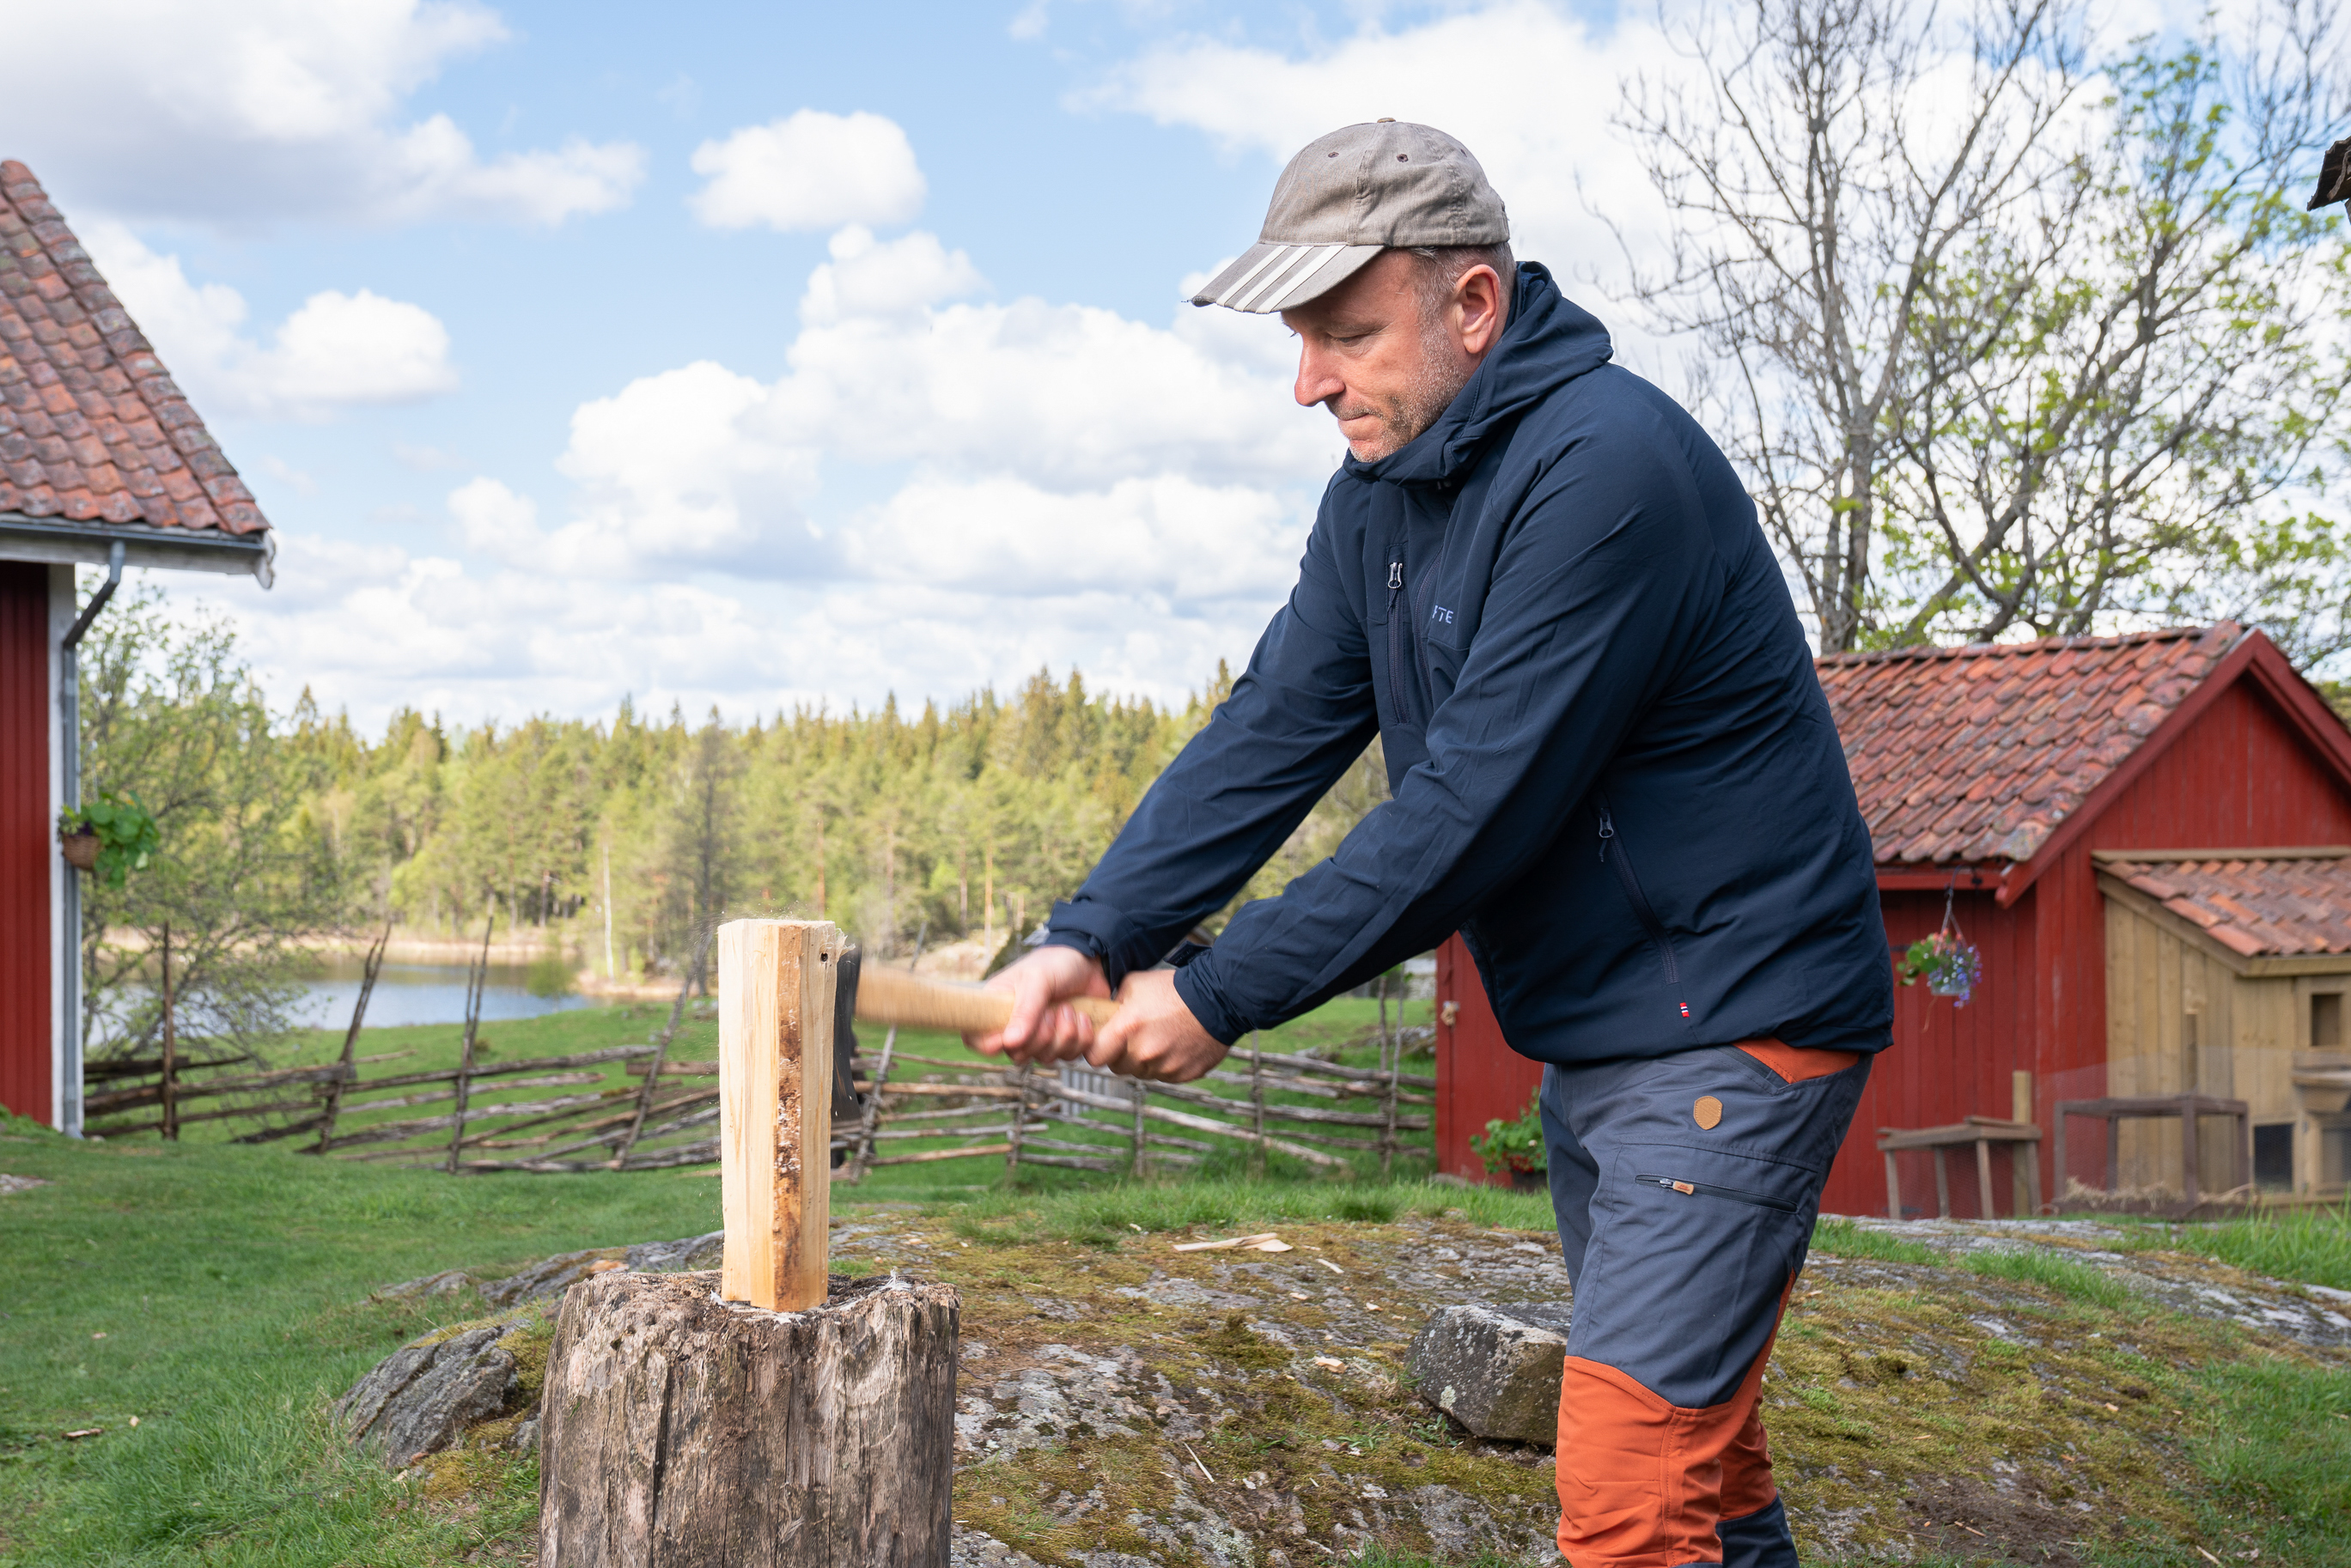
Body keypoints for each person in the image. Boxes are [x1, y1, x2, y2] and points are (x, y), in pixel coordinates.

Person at [971, 120, 1893, 1568]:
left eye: (1346, 333)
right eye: (1297, 339)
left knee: (1629, 1476)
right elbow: (1271, 728)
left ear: (1473, 303)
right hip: (1610, 1029)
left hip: (1736, 1020)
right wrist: (1093, 934)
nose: (1307, 382)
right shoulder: (1379, 501)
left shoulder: (1608, 469)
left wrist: (1220, 992)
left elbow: (1472, 811)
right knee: (1700, 1459)